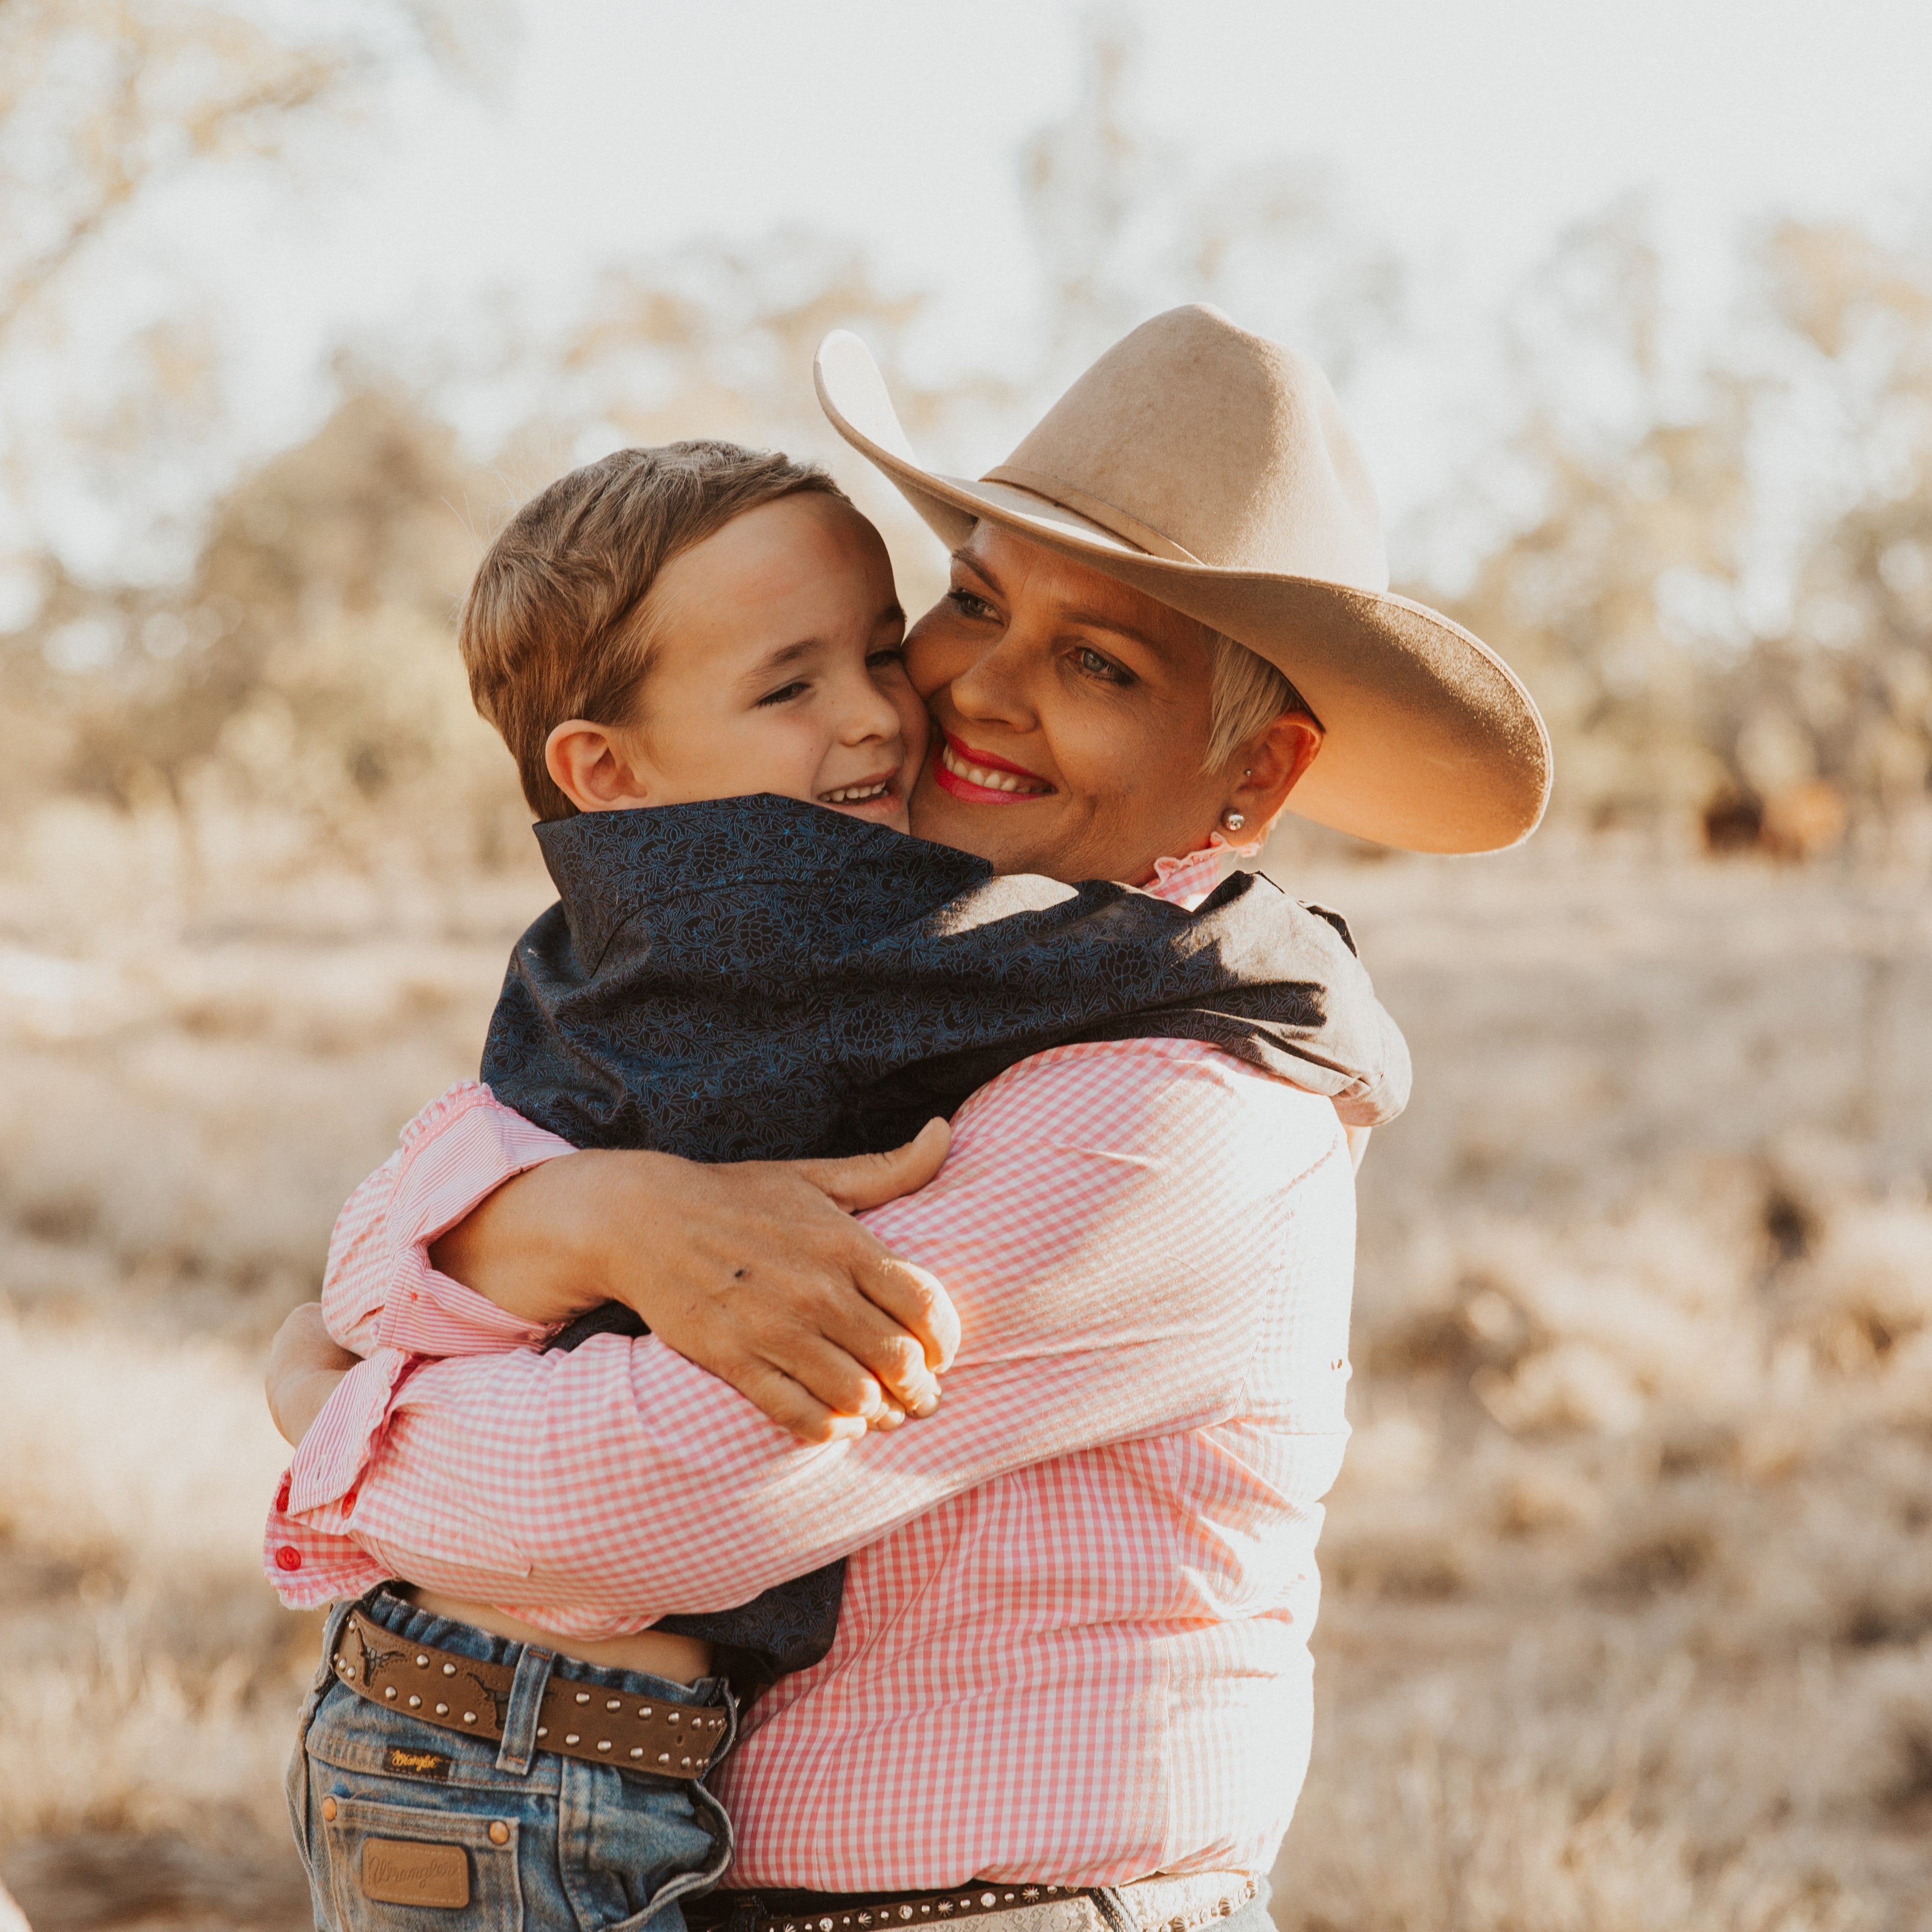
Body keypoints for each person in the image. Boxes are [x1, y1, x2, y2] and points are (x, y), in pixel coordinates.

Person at [267, 305, 1549, 1932]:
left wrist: (325, 1410)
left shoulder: (1180, 1100)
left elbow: (658, 1497)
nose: (967, 693)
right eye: (973, 603)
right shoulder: (904, 956)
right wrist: (580, 1218)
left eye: (1098, 662)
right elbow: (425, 1191)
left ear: (1256, 774)